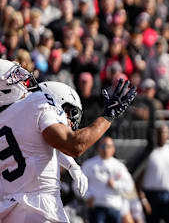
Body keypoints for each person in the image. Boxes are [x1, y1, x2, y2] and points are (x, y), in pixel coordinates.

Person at [0, 59, 137, 222]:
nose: (24, 79)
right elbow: (74, 145)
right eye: (15, 75)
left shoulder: (8, 118)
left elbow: (37, 145)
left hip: (8, 211)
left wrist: (72, 165)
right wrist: (108, 115)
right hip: (40, 209)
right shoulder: (37, 101)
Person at [136, 124, 169, 223]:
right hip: (151, 196)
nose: (162, 135)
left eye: (165, 132)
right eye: (160, 132)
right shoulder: (148, 154)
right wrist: (143, 200)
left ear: (168, 135)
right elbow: (138, 179)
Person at [82, 136, 135, 223]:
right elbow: (78, 185)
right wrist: (87, 196)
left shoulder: (119, 166)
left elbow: (129, 185)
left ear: (113, 149)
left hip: (114, 207)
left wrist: (115, 184)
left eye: (109, 146)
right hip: (96, 207)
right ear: (98, 148)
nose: (106, 149)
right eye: (103, 146)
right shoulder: (88, 164)